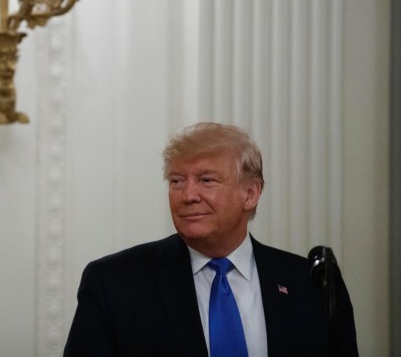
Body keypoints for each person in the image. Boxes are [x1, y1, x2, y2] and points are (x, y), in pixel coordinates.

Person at [64, 122, 358, 356]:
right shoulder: (115, 282)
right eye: (177, 181)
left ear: (250, 193)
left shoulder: (311, 285)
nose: (188, 196)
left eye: (207, 180)